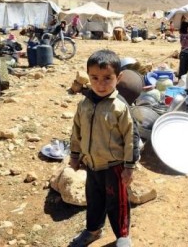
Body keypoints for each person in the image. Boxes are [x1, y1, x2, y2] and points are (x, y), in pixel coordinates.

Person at [69, 49, 140, 247]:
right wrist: (75, 155)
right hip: (92, 165)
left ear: (119, 77)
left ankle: (122, 236)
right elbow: (76, 131)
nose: (101, 84)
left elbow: (131, 137)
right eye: (95, 78)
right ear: (88, 77)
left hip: (115, 166)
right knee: (94, 201)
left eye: (107, 78)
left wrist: (129, 166)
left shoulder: (120, 107)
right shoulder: (84, 104)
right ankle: (93, 231)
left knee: (117, 204)